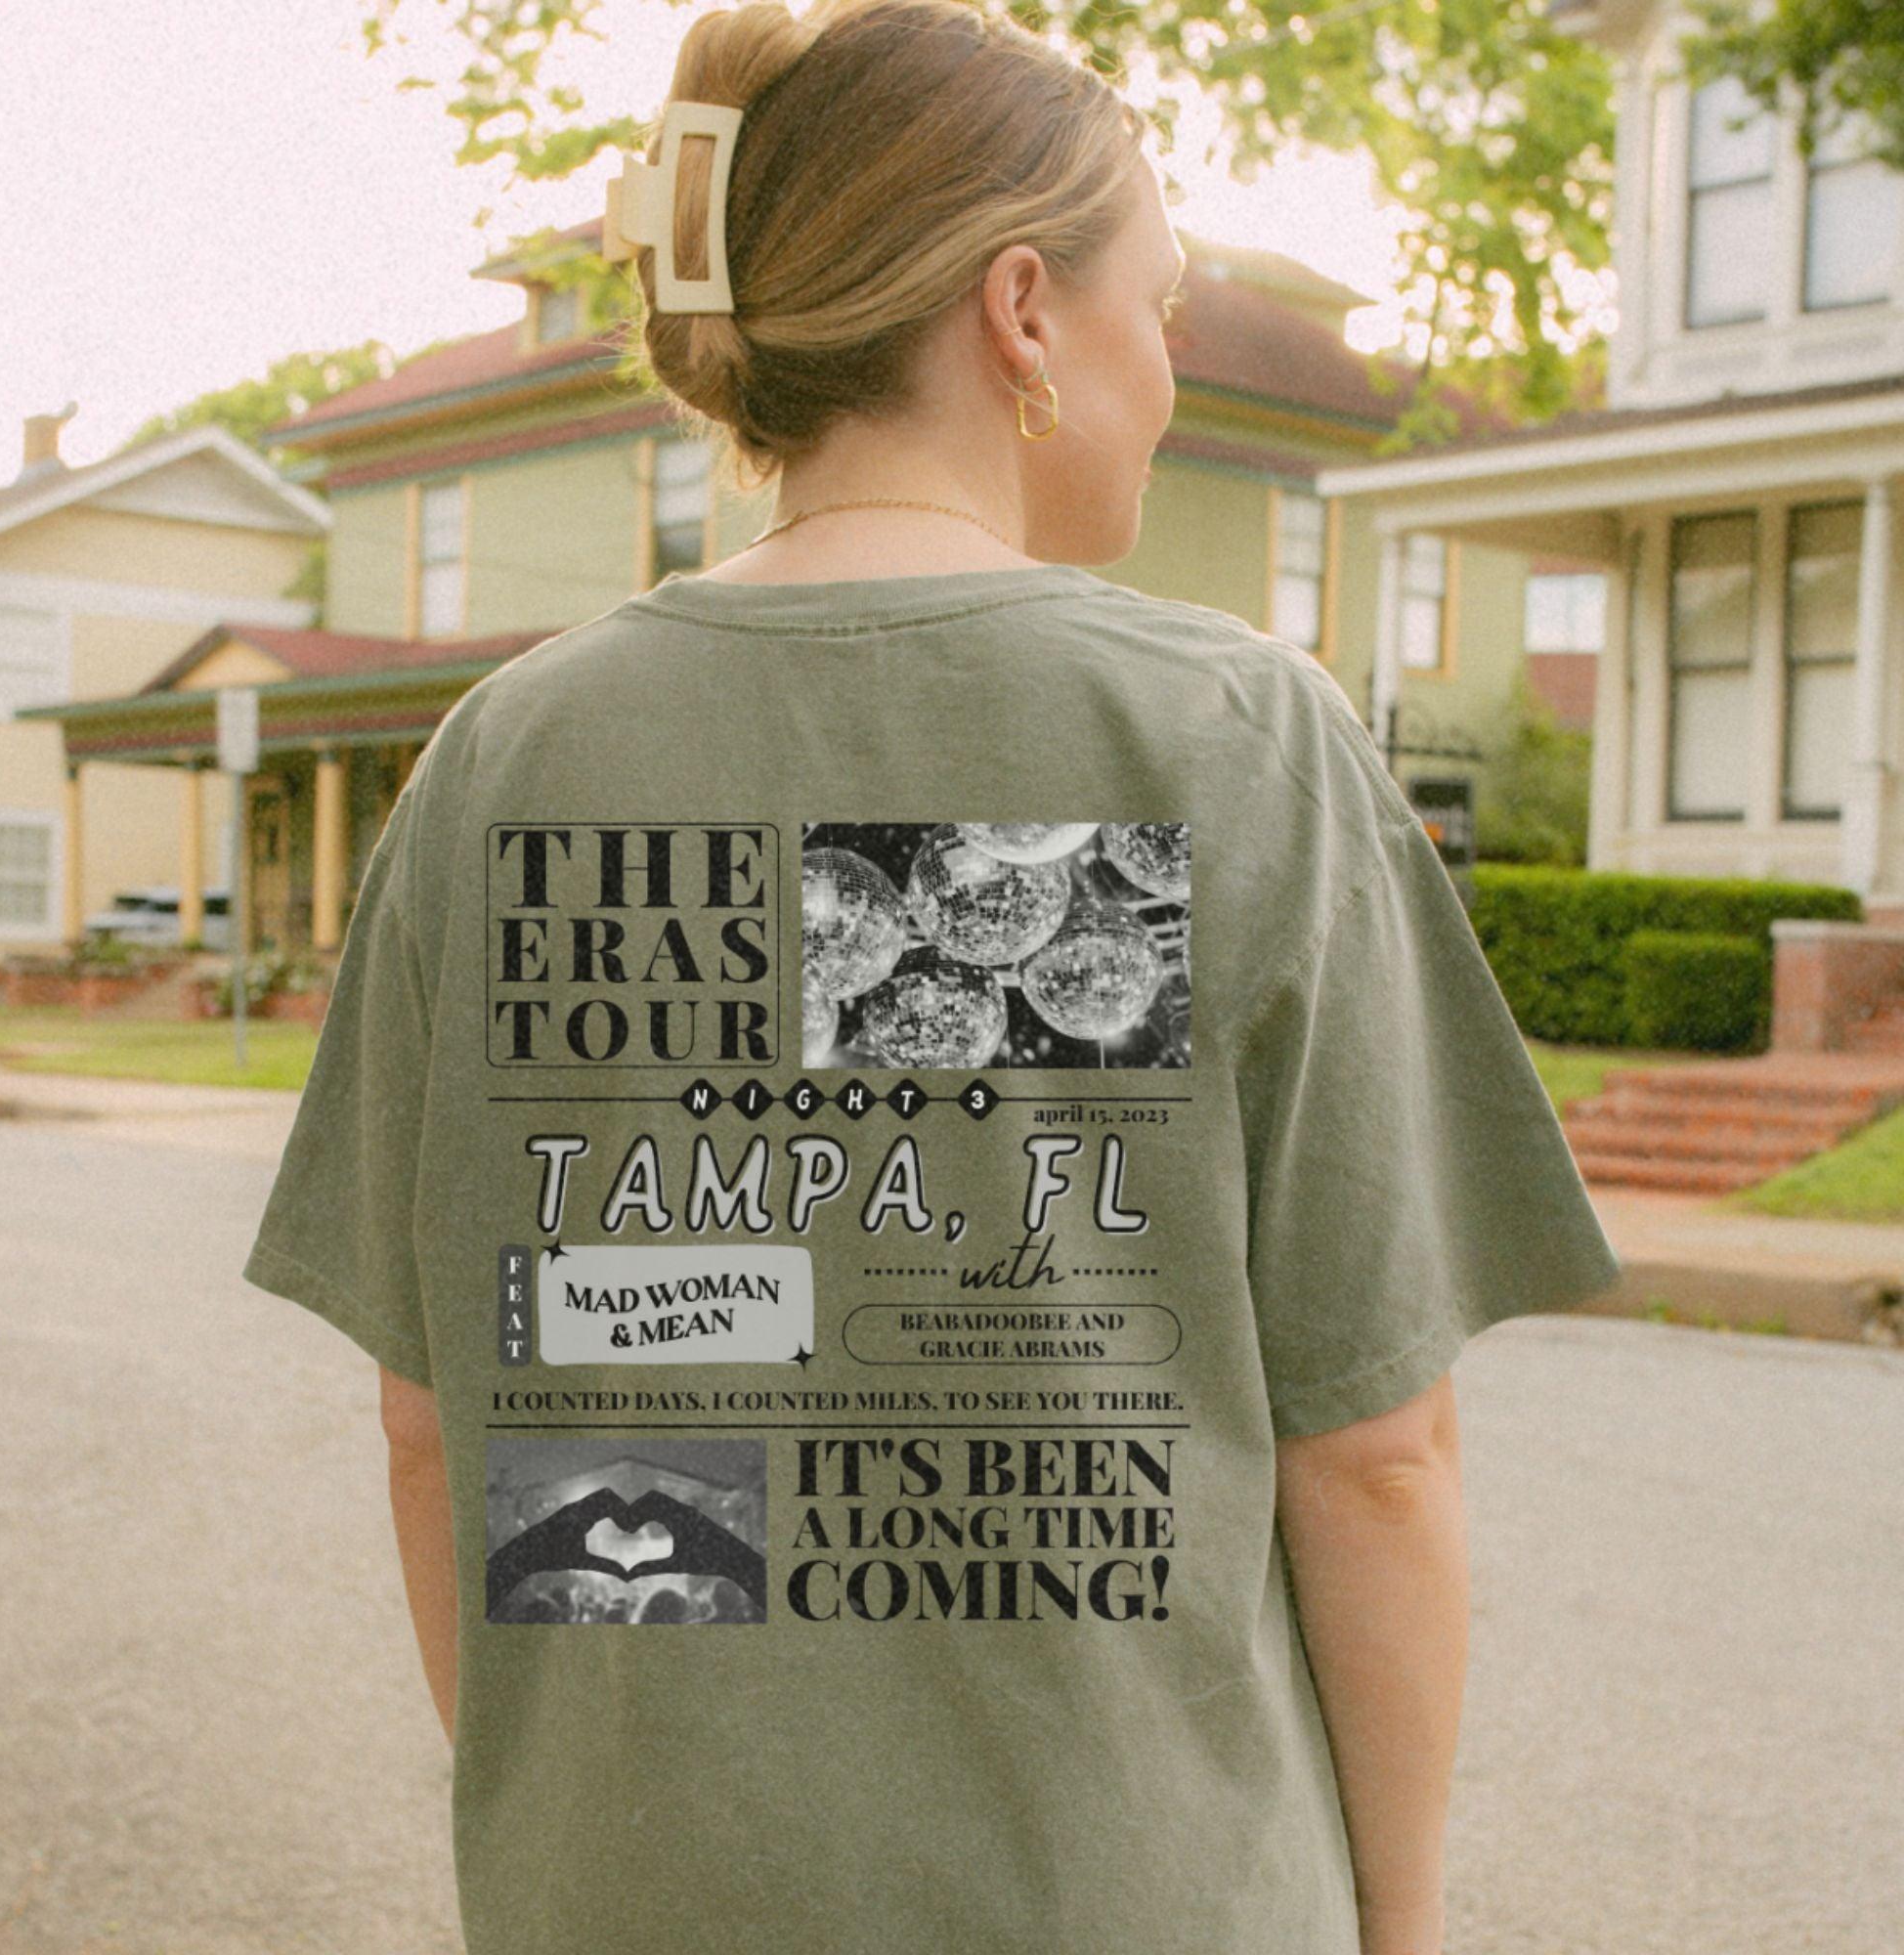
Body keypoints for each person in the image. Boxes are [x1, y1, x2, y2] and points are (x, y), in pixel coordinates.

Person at [241, 0, 1623, 1949]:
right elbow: (1376, 1459)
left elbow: (432, 1419)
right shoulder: (1232, 737)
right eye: (1161, 306)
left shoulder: (503, 763)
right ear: (1023, 311)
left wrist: (601, 1845)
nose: (1172, 371)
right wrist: (1393, 1925)